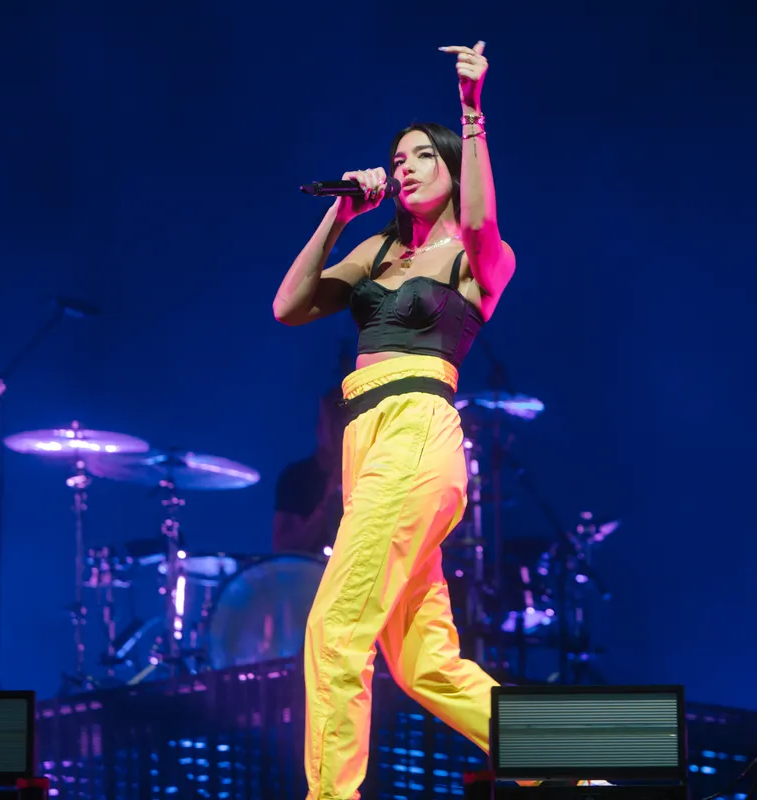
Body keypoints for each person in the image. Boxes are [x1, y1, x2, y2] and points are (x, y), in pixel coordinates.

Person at [272, 41, 516, 800]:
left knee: (335, 629)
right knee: (424, 664)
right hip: (367, 443)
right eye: (396, 159)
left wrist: (471, 110)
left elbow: (481, 214)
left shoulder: (478, 256)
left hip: (417, 432)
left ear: (453, 166)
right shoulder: (378, 250)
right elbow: (289, 306)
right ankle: (578, 758)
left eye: (422, 157)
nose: (404, 168)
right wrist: (341, 214)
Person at [271, 386, 344, 556]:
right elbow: (284, 550)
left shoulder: (371, 475)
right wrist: (329, 500)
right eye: (336, 423)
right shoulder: (296, 477)